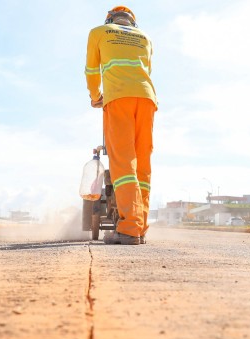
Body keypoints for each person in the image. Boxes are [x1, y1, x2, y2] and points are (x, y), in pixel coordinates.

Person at [85, 6, 158, 245]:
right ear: (132, 23)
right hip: (147, 99)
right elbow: (146, 69)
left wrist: (95, 96)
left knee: (123, 163)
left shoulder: (99, 32)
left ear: (109, 20)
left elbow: (92, 71)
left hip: (118, 99)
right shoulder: (146, 38)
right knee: (142, 164)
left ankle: (128, 228)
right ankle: (140, 227)